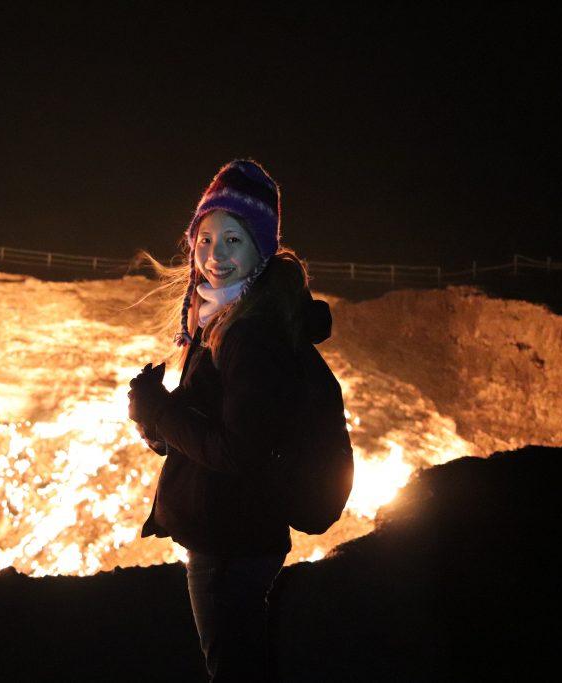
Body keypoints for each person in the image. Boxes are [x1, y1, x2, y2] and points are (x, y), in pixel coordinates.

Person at [127, 159, 333, 682]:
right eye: (205, 240)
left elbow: (239, 451)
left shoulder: (249, 334)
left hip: (230, 541)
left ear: (261, 248)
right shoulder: (221, 317)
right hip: (231, 533)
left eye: (233, 241)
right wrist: (155, 421)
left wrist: (163, 412)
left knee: (233, 672)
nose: (214, 256)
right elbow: (216, 428)